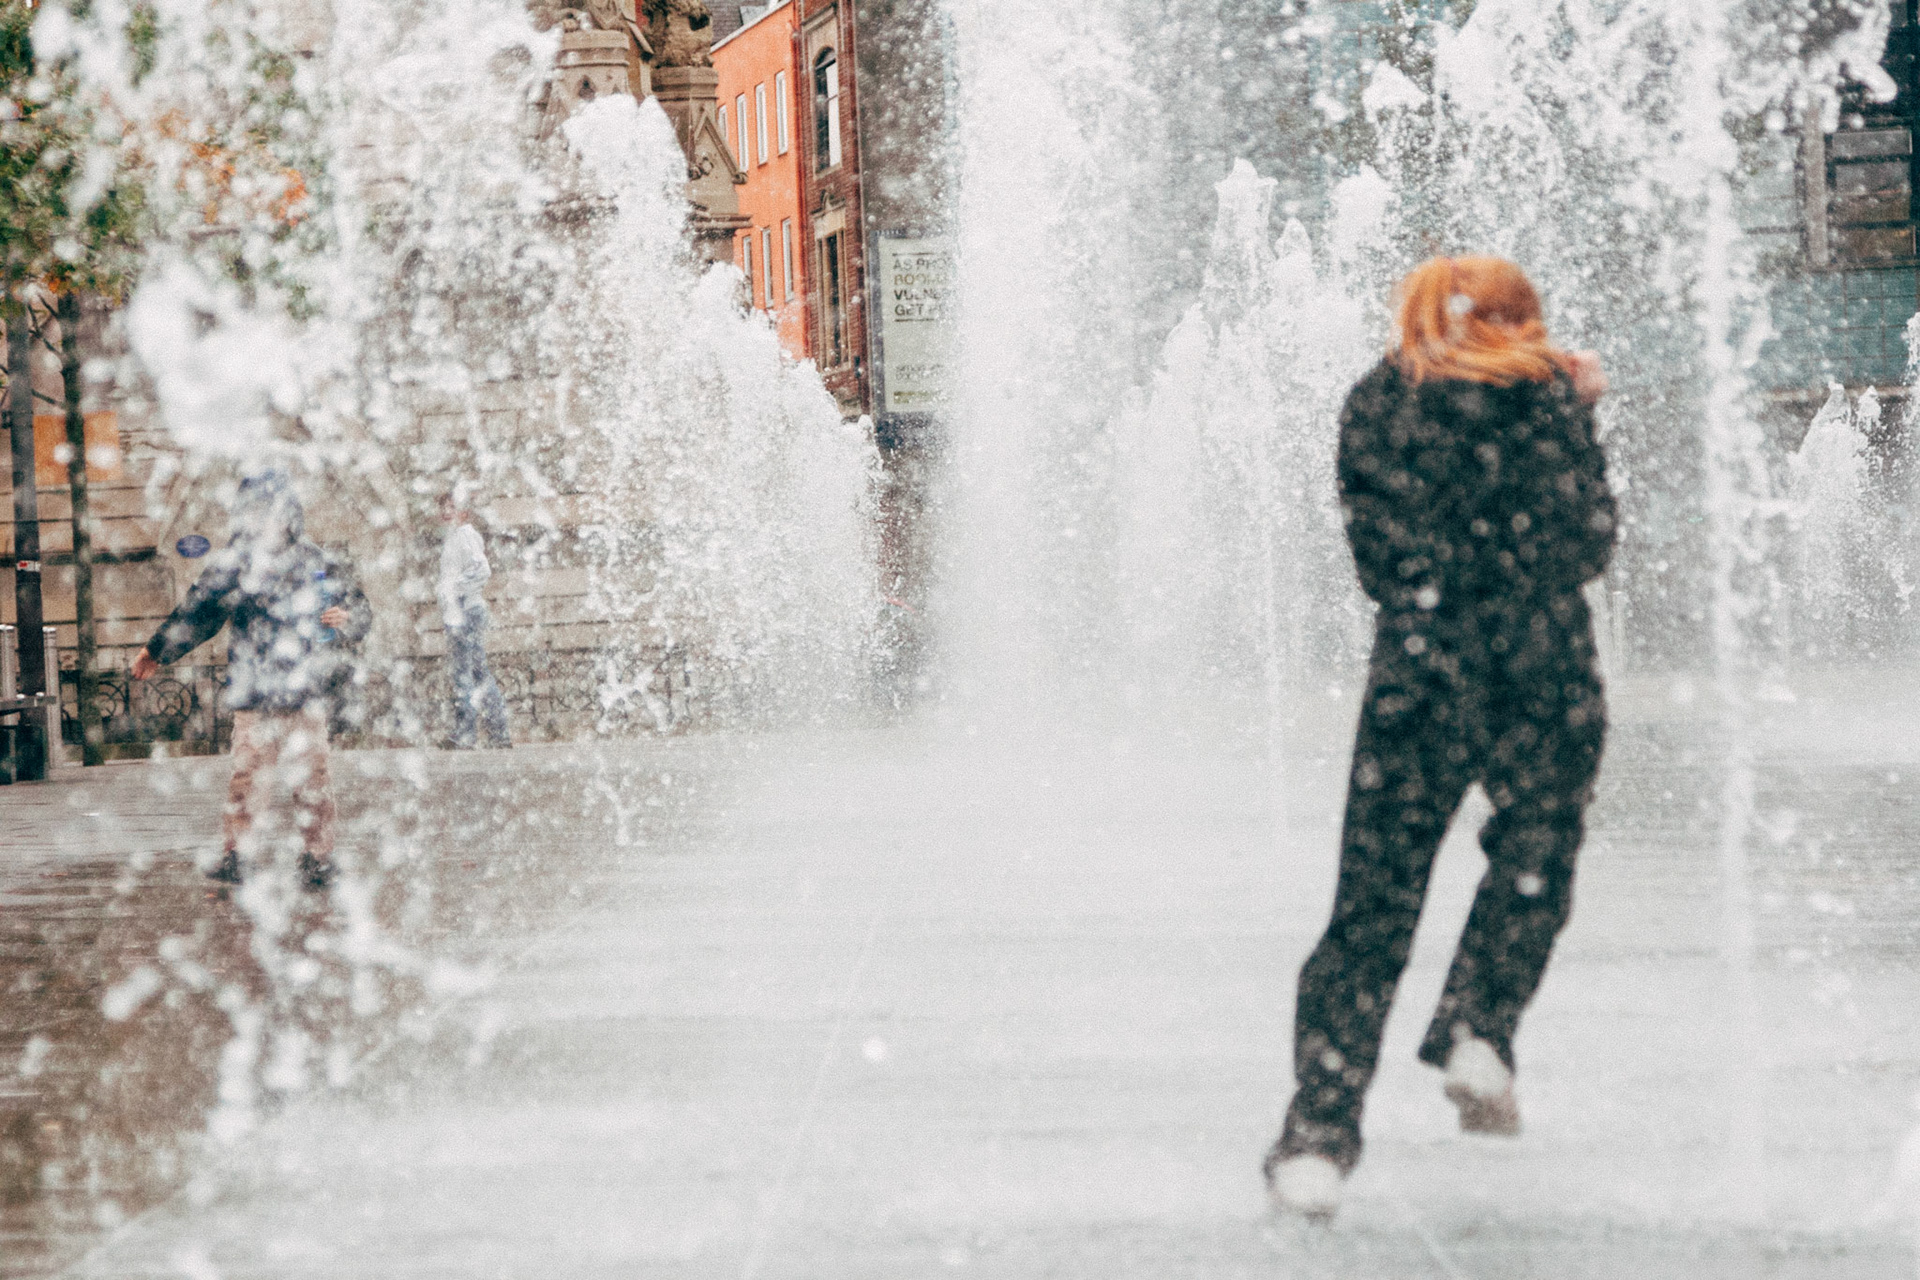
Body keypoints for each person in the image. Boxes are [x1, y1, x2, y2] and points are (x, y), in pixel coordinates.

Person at [1265, 257, 1617, 1220]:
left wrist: (1442, 591)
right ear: (1527, 316)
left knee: (1372, 909)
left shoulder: (1380, 399)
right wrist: (1575, 415)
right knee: (1535, 853)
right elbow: (1586, 540)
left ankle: (1318, 1140)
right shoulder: (1548, 399)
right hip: (1543, 664)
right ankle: (1477, 1030)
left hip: (1423, 671)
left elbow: (1380, 558)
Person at [132, 471, 372, 890]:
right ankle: (237, 855)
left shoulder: (316, 559)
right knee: (247, 777)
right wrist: (157, 650)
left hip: (304, 689)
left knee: (313, 778)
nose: (267, 521)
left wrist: (349, 620)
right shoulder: (237, 561)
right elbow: (198, 611)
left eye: (275, 511)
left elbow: (357, 606)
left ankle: (317, 857)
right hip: (254, 691)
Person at [437, 491, 511, 749]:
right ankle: (499, 734)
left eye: (452, 507)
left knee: (463, 674)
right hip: (466, 609)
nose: (446, 511)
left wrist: (453, 592)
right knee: (479, 673)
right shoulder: (456, 537)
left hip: (465, 610)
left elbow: (482, 570)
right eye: (443, 507)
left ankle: (466, 735)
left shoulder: (465, 535)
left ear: (464, 513)